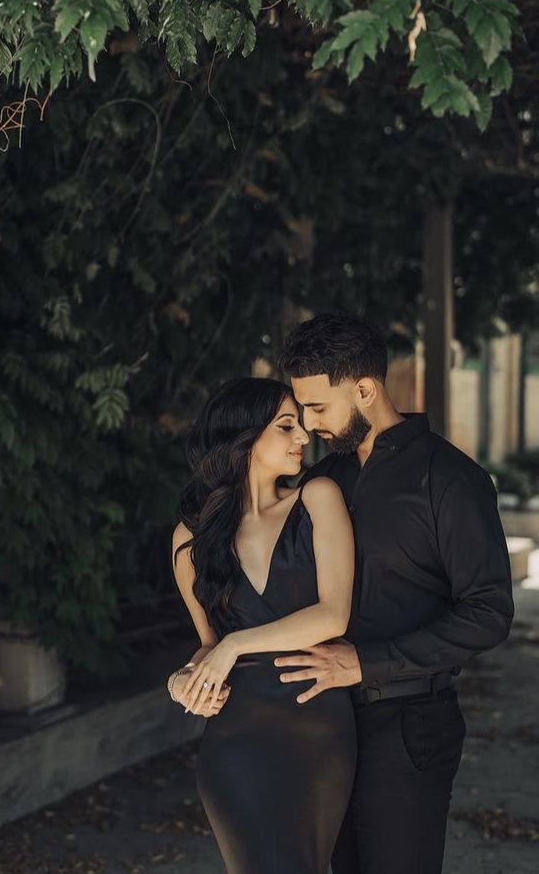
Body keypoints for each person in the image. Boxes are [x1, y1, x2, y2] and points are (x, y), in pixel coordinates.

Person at [274, 313, 515, 874]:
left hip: (410, 727)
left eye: (317, 408)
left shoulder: (450, 479)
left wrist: (366, 662)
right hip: (325, 723)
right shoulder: (321, 482)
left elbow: (489, 612)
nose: (308, 427)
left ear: (365, 389)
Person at [167, 377, 357, 874]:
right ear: (245, 436)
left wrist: (236, 645)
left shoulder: (318, 497)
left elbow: (333, 614)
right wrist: (181, 679)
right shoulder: (190, 539)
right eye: (286, 426)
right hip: (235, 741)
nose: (303, 438)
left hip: (318, 730)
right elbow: (206, 646)